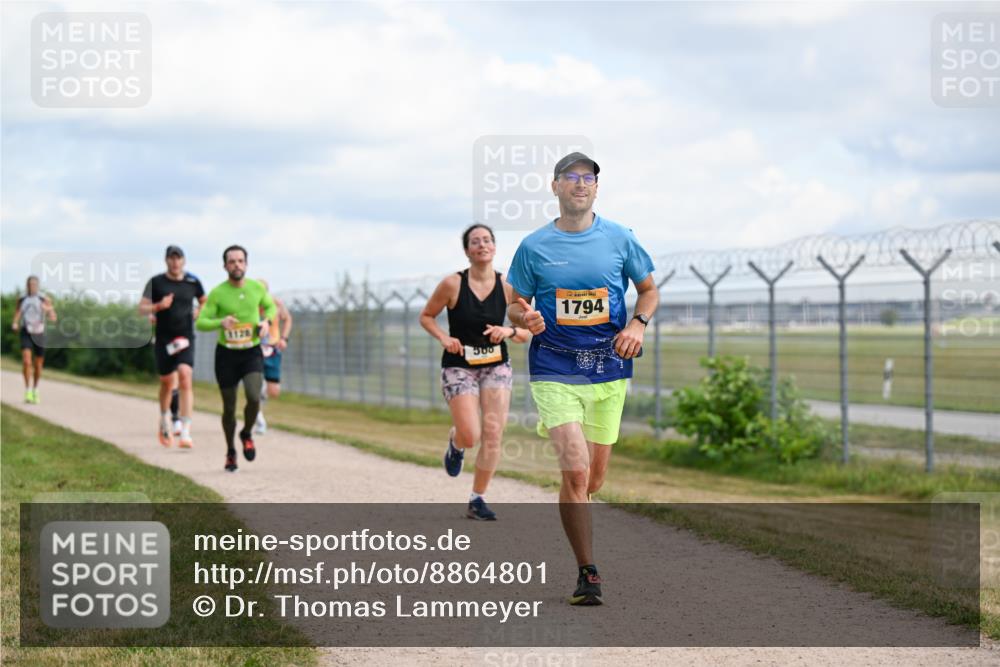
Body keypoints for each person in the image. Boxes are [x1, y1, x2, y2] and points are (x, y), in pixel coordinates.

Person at [506, 153, 658, 605]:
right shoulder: (534, 247)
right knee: (575, 470)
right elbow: (515, 303)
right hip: (554, 367)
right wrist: (525, 315)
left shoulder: (619, 238)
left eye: (588, 178)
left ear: (596, 188)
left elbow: (648, 290)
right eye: (571, 177)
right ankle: (587, 572)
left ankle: (579, 509)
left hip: (608, 369)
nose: (580, 184)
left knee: (592, 481)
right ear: (555, 187)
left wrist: (637, 325)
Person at [420, 224, 530, 520]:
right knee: (472, 435)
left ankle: (477, 499)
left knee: (493, 433)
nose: (482, 245)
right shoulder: (452, 284)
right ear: (467, 250)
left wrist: (507, 330)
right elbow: (426, 316)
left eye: (487, 240)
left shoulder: (508, 285)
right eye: (475, 241)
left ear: (494, 247)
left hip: (496, 365)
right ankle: (457, 443)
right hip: (460, 366)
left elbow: (526, 331)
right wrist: (444, 338)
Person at [196, 245, 277, 472]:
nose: (237, 265)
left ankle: (247, 433)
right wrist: (219, 322)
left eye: (240, 261)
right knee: (229, 408)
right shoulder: (217, 293)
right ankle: (231, 451)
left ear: (246, 264)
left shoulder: (256, 288)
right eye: (232, 262)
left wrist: (265, 322)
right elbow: (201, 322)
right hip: (227, 355)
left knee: (253, 397)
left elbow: (270, 308)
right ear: (225, 266)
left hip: (251, 352)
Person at [140, 246, 206, 448]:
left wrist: (200, 312)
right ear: (166, 261)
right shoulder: (157, 282)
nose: (175, 262)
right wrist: (158, 306)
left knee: (185, 376)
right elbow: (141, 308)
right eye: (171, 259)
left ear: (184, 261)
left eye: (178, 258)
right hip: (164, 339)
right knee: (168, 383)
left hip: (185, 336)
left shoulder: (193, 282)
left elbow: (205, 301)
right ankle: (164, 417)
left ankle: (185, 431)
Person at [254, 279, 293, 435]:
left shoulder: (275, 304)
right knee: (255, 385)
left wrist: (284, 338)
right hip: (255, 349)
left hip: (272, 349)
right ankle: (259, 420)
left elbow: (287, 319)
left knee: (274, 391)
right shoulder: (250, 306)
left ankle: (262, 395)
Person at [11, 276, 57, 404]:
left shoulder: (44, 298)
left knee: (38, 364)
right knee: (26, 361)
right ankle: (28, 390)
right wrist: (15, 323)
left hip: (39, 333)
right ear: (27, 285)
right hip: (26, 331)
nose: (33, 286)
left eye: (35, 284)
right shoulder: (22, 298)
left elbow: (53, 317)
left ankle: (36, 388)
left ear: (38, 285)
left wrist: (48, 310)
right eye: (30, 284)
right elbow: (18, 312)